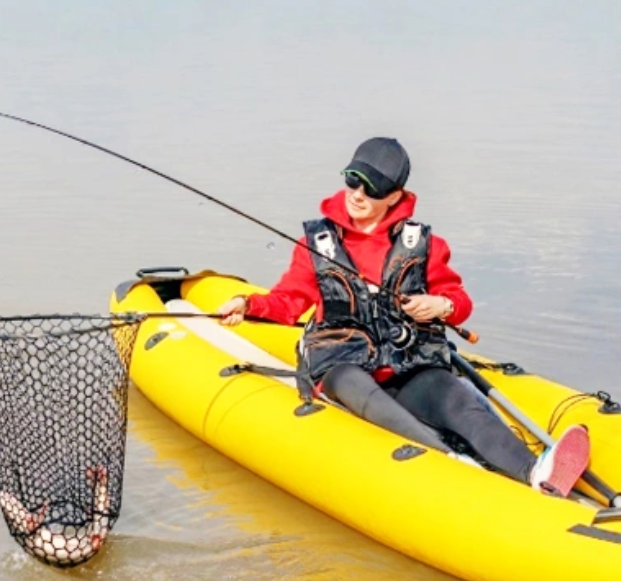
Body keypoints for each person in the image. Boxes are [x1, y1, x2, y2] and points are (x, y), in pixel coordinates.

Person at [218, 137, 589, 496]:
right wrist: (248, 304)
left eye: (372, 188)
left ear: (395, 196)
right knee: (354, 384)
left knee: (454, 396)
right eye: (352, 180)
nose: (358, 194)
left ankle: (535, 472)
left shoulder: (425, 245)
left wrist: (440, 306)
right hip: (340, 365)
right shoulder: (317, 243)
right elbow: (289, 301)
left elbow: (458, 300)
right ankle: (454, 463)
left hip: (408, 366)